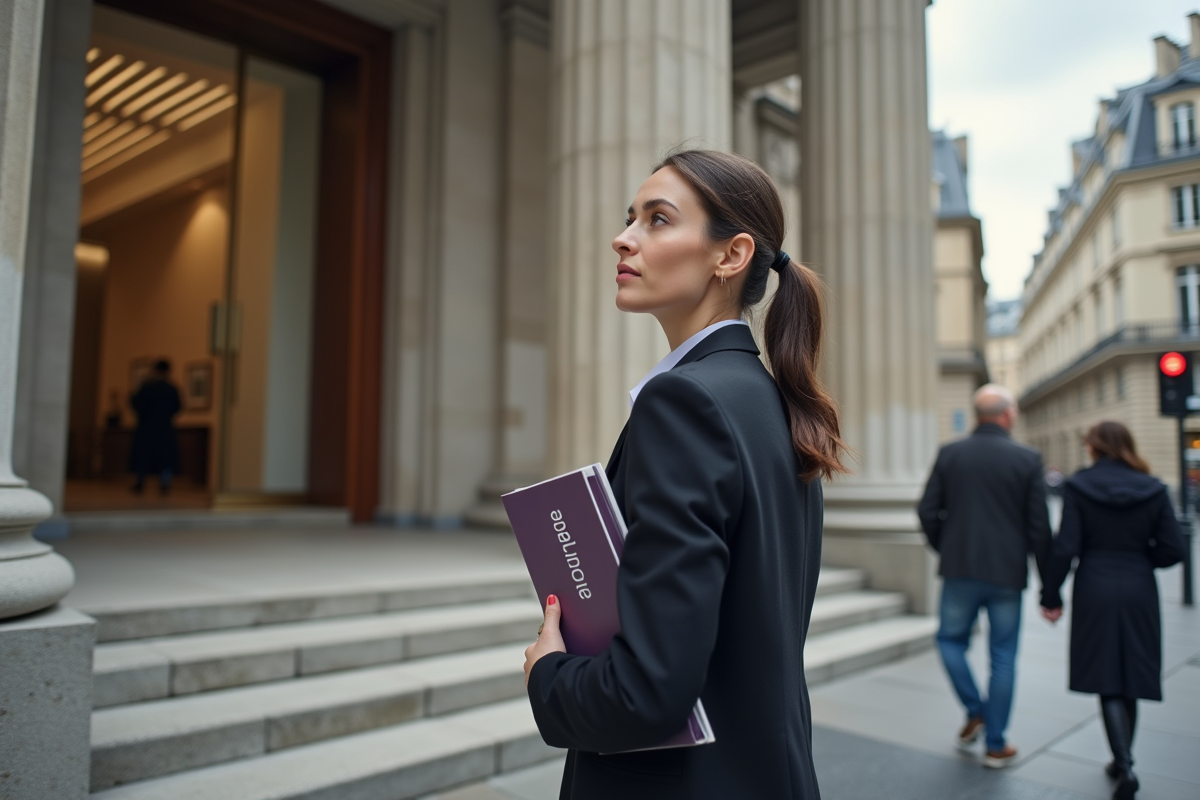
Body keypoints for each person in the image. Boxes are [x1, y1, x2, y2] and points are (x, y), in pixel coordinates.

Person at [520, 150, 849, 799]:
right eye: (629, 218)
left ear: (731, 256)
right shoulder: (769, 400)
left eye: (658, 219)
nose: (624, 236)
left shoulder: (685, 404)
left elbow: (646, 694)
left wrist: (547, 673)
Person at [1040, 421, 1185, 800]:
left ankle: (1124, 764)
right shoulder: (1153, 487)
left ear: (1094, 448)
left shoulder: (1079, 485)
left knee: (1106, 673)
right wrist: (1141, 559)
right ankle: (1123, 760)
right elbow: (1173, 548)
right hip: (1138, 585)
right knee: (1132, 671)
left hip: (1095, 585)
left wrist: (1050, 595)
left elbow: (1065, 546)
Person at [917, 384, 1052, 768]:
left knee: (949, 641)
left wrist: (947, 547)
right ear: (1008, 415)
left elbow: (927, 512)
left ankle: (974, 709)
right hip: (1007, 574)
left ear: (978, 415)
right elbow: (1040, 529)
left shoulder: (950, 453)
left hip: (960, 569)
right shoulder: (1027, 458)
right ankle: (996, 743)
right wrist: (1049, 587)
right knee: (1004, 657)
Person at [129, 359, 182, 495]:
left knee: (144, 456)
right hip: (165, 427)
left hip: (147, 426)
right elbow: (178, 407)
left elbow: (135, 403)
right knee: (165, 457)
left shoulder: (147, 387)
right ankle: (165, 483)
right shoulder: (172, 388)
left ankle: (140, 482)